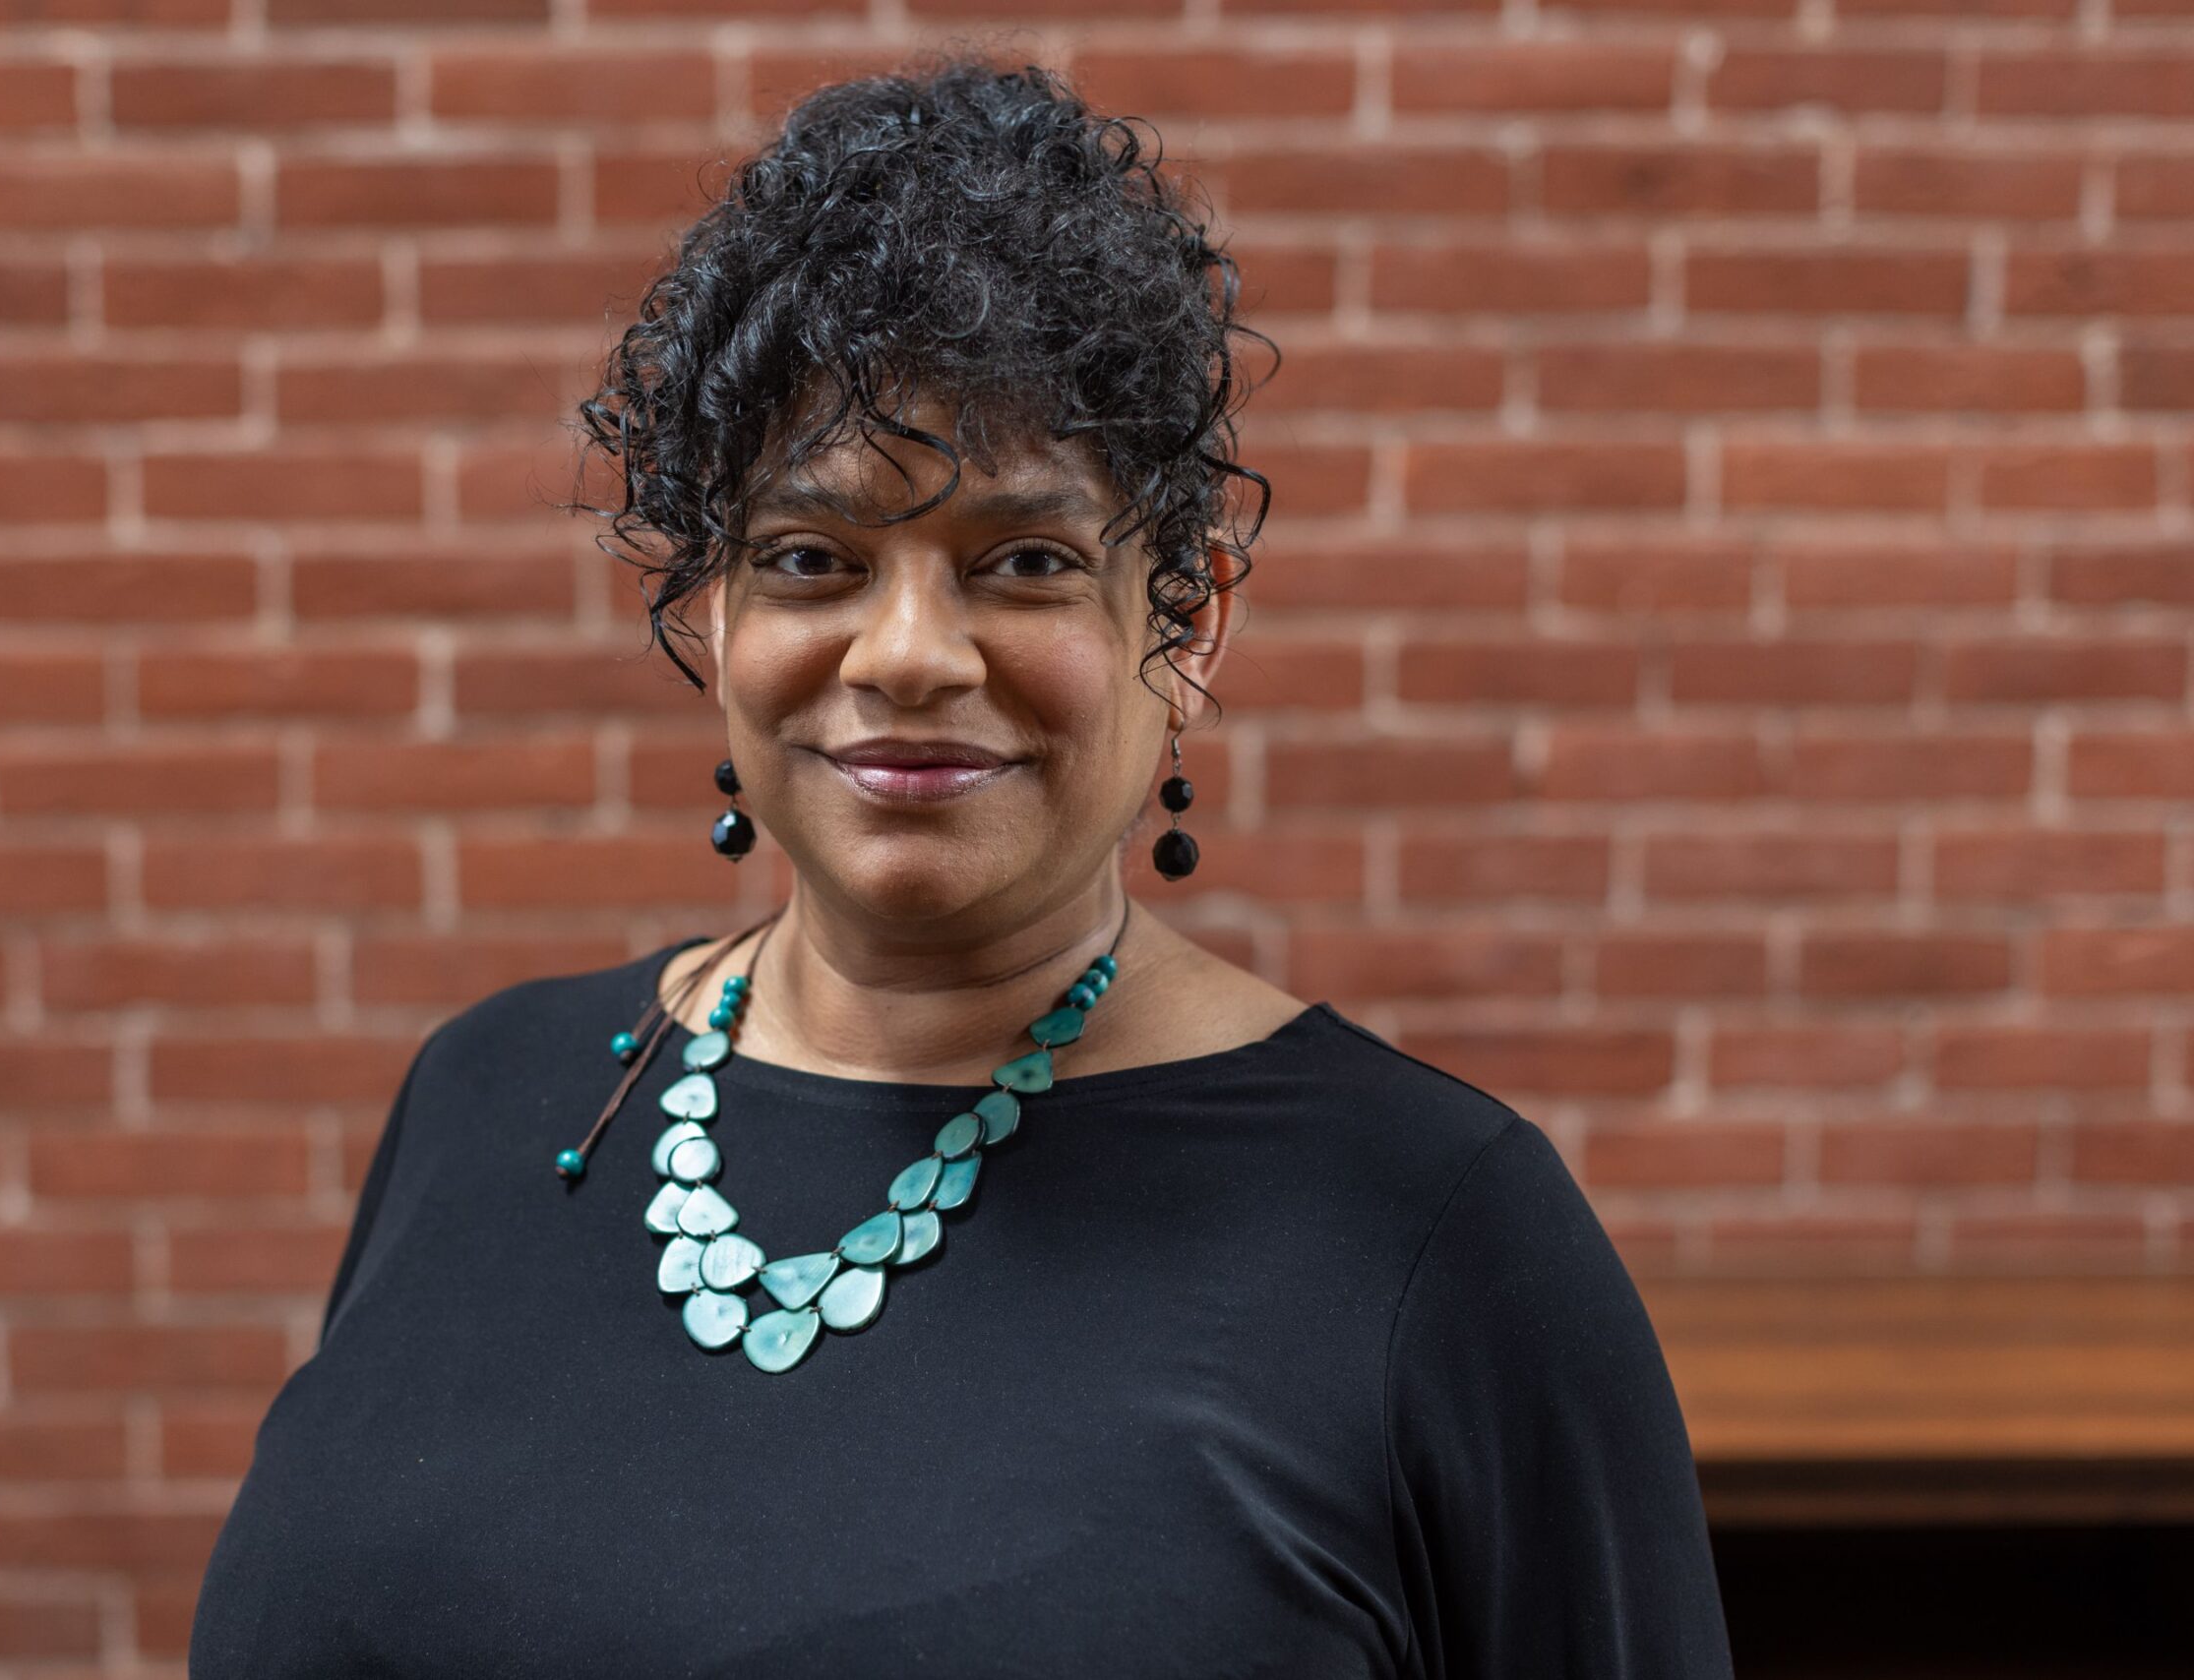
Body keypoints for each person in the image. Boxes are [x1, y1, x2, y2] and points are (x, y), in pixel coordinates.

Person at [188, 56, 1734, 1678]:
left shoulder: (1436, 1243)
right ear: (714, 611)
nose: (910, 652)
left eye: (1024, 561)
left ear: (1187, 622)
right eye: (812, 558)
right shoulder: (487, 1100)